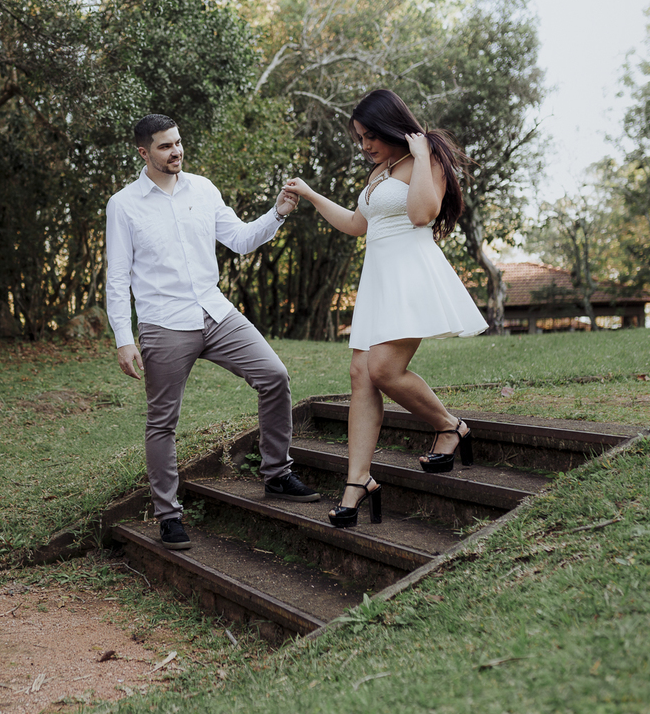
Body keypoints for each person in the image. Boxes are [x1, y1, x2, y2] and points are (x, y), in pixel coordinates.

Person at [106, 114, 321, 551]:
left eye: (178, 142)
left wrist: (277, 214)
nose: (176, 151)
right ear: (143, 153)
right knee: (162, 422)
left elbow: (240, 239)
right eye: (165, 146)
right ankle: (168, 516)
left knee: (274, 375)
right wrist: (123, 338)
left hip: (215, 311)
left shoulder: (203, 189)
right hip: (163, 322)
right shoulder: (123, 204)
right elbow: (117, 277)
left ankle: (277, 473)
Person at [282, 89, 488, 529]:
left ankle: (450, 426)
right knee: (361, 374)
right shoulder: (381, 170)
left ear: (392, 124)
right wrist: (313, 194)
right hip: (378, 279)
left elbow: (421, 215)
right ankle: (357, 482)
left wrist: (418, 150)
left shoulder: (424, 153)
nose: (365, 145)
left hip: (410, 275)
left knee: (383, 370)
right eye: (360, 138)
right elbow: (358, 225)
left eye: (371, 135)